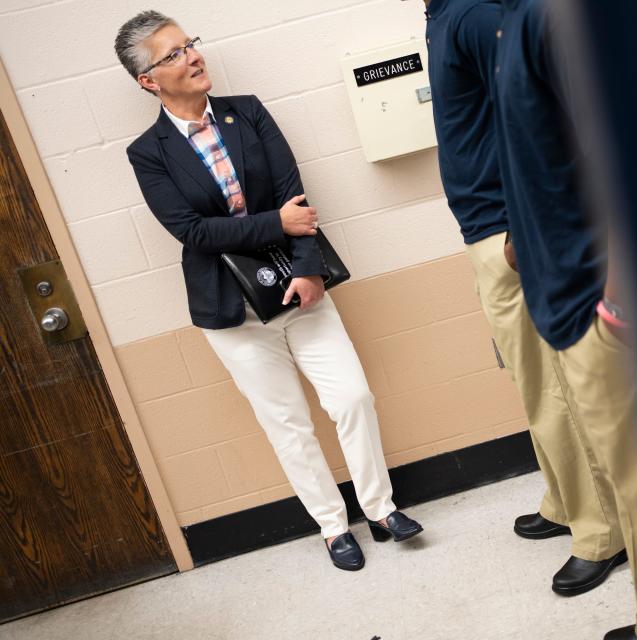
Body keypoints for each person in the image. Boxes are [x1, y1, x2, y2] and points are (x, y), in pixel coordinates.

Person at [115, 10, 422, 572]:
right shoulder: (148, 152)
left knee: (351, 397)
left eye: (192, 44)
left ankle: (381, 510)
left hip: (299, 285)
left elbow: (294, 197)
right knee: (288, 426)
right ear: (148, 81)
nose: (194, 56)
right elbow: (192, 231)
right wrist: (275, 223)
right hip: (230, 313)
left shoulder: (248, 112)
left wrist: (308, 269)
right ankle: (333, 527)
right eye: (174, 54)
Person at [417, 0, 627, 597]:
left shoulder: (474, 16)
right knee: (532, 382)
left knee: (554, 387)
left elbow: (541, 111)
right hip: (487, 232)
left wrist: (521, 226)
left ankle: (600, 533)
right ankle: (565, 502)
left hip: (506, 233)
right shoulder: (443, 19)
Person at [493, 0, 637, 638]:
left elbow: (631, 157)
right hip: (567, 298)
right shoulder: (516, 17)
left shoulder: (559, 16)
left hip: (596, 309)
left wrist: (620, 305)